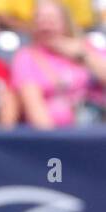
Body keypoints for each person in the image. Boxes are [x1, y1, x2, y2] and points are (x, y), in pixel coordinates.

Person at [10, 0, 106, 129]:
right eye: (40, 20)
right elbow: (35, 109)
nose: (45, 26)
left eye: (51, 20)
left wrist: (83, 56)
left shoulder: (87, 48)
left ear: (65, 23)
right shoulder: (26, 57)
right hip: (60, 136)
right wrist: (57, 143)